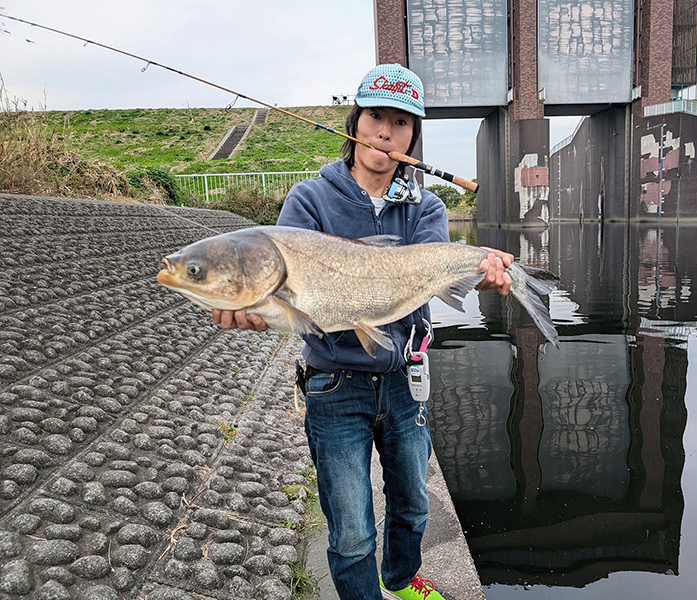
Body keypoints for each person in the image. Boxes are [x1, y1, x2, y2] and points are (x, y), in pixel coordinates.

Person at [211, 63, 513, 600]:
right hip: (334, 388)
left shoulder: (426, 206)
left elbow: (433, 274)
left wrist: (478, 272)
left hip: (405, 382)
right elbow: (287, 303)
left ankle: (400, 581)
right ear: (356, 121)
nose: (385, 132)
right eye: (376, 116)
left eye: (401, 123)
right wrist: (253, 307)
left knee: (414, 506)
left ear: (413, 137)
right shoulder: (309, 202)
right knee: (350, 531)